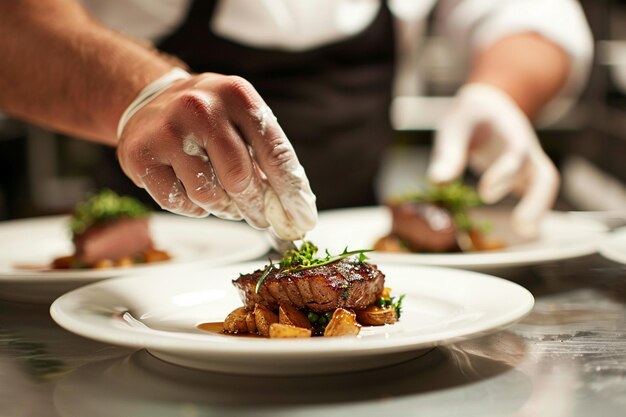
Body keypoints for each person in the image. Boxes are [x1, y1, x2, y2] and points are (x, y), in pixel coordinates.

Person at [0, 0, 593, 240]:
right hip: (152, 255)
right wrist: (141, 93)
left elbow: (525, 12)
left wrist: (501, 92)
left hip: (354, 238)